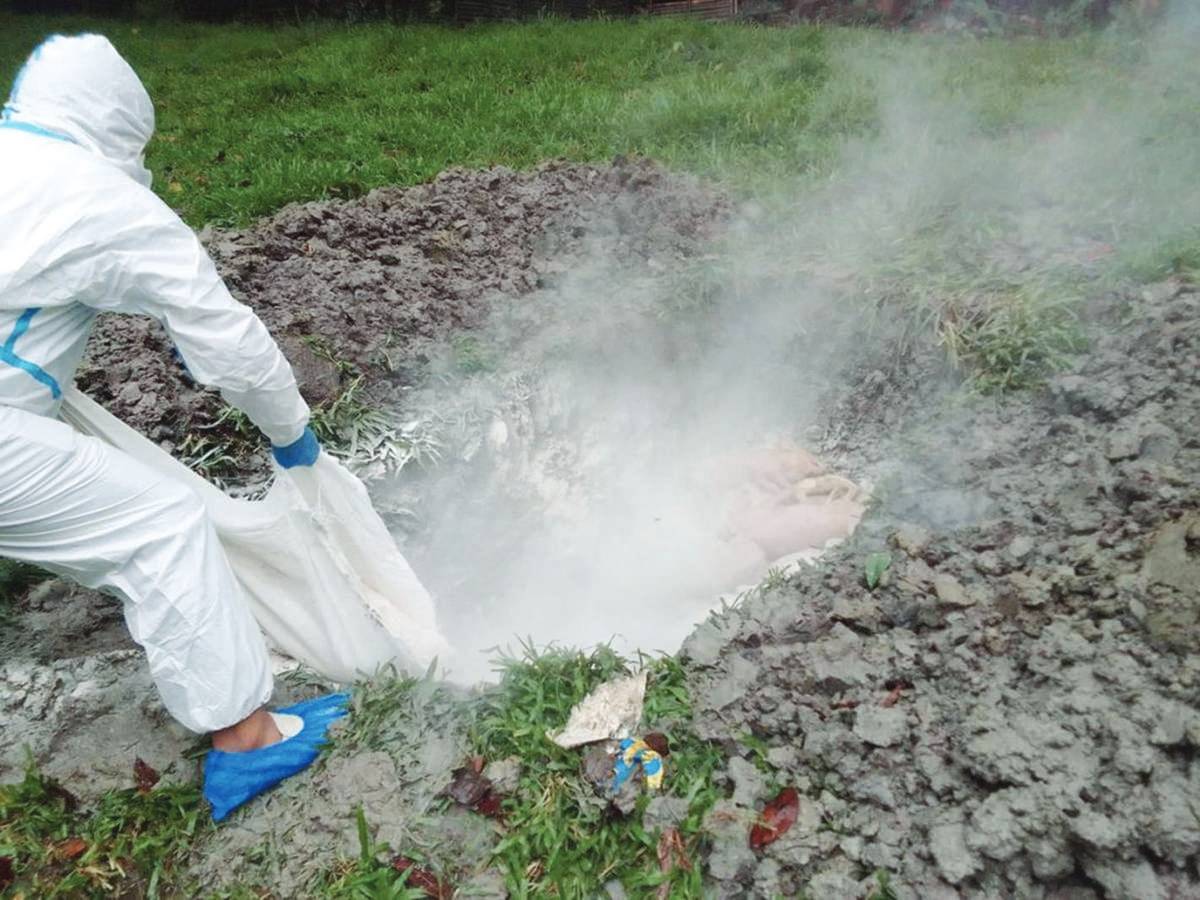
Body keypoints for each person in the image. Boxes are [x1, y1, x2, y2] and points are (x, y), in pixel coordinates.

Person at [0, 33, 345, 820]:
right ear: (120, 128)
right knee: (159, 523)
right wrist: (294, 438)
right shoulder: (100, 198)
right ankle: (248, 741)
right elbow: (229, 343)